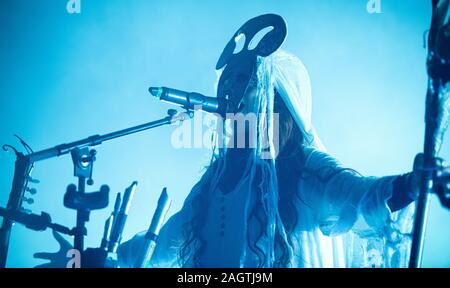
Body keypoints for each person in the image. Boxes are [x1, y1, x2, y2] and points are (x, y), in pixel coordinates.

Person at [117, 49, 420, 268]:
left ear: (271, 98)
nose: (230, 88)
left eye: (244, 80)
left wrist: (410, 184)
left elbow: (358, 194)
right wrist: (107, 258)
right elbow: (159, 245)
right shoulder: (210, 187)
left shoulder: (306, 168)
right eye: (228, 80)